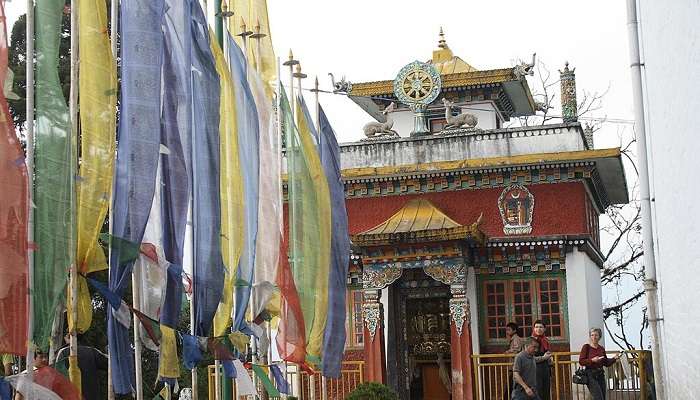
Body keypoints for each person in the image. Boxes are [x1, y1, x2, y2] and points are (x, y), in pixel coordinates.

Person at [55, 334, 108, 400]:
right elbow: (109, 364)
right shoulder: (92, 351)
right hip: (91, 396)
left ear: (68, 336)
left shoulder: (63, 352)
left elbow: (57, 376)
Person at [578, 328, 621, 400]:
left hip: (601, 375)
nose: (594, 337)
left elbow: (606, 363)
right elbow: (581, 361)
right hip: (591, 375)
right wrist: (592, 360)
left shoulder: (601, 349)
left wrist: (614, 358)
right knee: (599, 398)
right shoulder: (586, 347)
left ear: (599, 337)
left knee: (603, 397)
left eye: (596, 335)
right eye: (592, 335)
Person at [531, 320, 552, 400]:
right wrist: (543, 358)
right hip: (534, 370)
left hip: (545, 369)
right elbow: (529, 358)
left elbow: (547, 353)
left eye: (540, 327)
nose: (538, 329)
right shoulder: (531, 341)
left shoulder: (545, 340)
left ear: (544, 329)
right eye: (536, 327)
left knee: (546, 392)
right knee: (537, 392)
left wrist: (549, 358)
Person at [505, 322, 524, 398]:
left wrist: (508, 351)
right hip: (514, 365)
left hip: (516, 366)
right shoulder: (513, 339)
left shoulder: (516, 339)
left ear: (514, 330)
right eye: (507, 330)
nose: (507, 332)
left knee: (512, 386)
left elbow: (516, 349)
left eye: (509, 330)